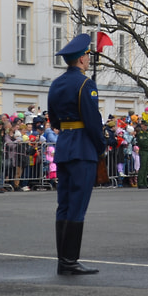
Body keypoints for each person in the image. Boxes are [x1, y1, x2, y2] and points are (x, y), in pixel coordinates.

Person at [47, 33, 105, 275]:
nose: (88, 60)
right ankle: (70, 261)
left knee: (64, 204)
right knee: (78, 206)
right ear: (81, 59)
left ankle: (63, 260)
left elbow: (55, 119)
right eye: (87, 57)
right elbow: (93, 121)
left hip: (64, 147)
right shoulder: (85, 84)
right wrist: (101, 146)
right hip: (82, 149)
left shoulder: (56, 84)